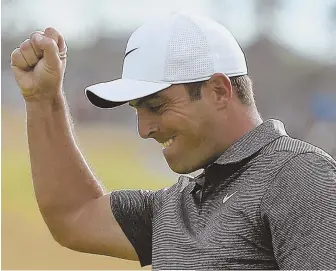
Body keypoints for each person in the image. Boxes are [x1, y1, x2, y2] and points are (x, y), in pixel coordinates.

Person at [10, 13, 336, 270]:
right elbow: (73, 215)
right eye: (137, 110)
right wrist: (42, 98)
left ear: (219, 91)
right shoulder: (175, 206)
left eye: (156, 106)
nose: (143, 129)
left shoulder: (298, 177)